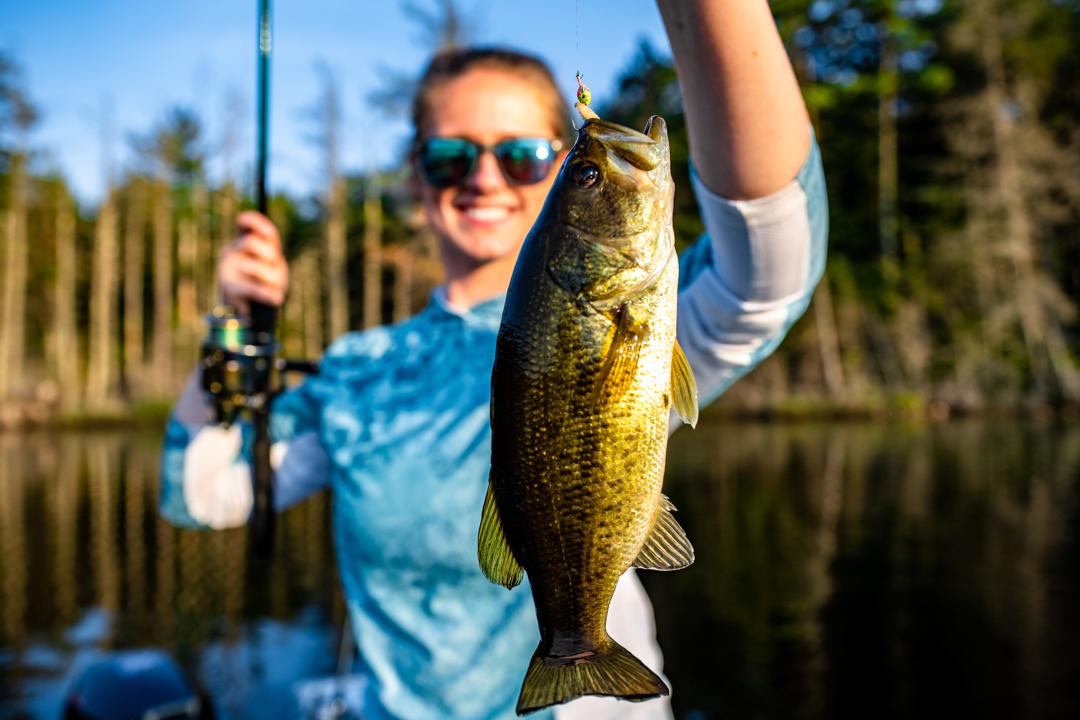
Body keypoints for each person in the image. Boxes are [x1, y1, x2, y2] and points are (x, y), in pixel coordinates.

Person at [160, 2, 828, 718]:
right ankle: (573, 650)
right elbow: (199, 493)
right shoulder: (358, 369)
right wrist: (231, 326)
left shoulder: (651, 310)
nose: (484, 178)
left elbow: (769, 270)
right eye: (450, 157)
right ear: (418, 179)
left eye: (525, 157)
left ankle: (577, 648)